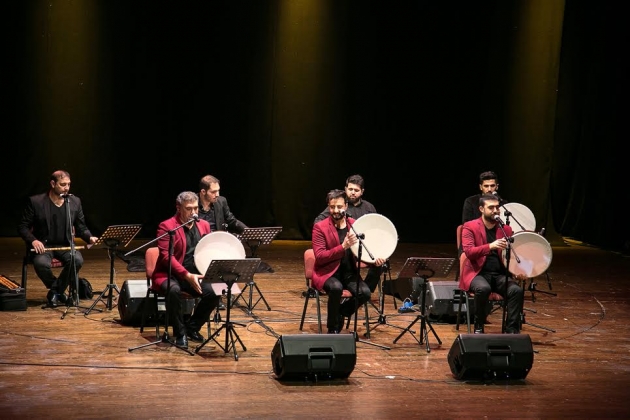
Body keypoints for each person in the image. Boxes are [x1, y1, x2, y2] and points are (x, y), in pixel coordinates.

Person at [18, 170, 98, 307]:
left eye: (68, 184)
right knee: (41, 264)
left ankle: (55, 292)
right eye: (62, 184)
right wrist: (34, 240)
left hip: (65, 245)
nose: (66, 188)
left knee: (77, 260)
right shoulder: (36, 202)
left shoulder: (74, 202)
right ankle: (59, 291)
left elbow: (81, 227)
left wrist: (90, 237)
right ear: (53, 184)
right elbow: (22, 227)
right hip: (44, 247)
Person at [151, 191, 221, 347]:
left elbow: (207, 251)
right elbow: (166, 257)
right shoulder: (167, 226)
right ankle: (180, 332)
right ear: (178, 208)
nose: (194, 212)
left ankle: (192, 327)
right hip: (169, 274)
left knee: (216, 290)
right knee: (173, 291)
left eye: (196, 208)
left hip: (195, 274)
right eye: (189, 209)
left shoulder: (204, 225)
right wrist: (186, 274)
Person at [312, 189, 386, 334]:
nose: (335, 210)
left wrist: (375, 261)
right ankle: (332, 328)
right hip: (327, 272)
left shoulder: (354, 225)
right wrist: (343, 247)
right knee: (336, 288)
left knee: (365, 293)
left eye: (339, 207)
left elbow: (364, 250)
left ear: (346, 206)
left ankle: (340, 312)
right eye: (332, 207)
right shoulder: (320, 227)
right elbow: (320, 256)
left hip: (349, 272)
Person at [459, 194, 524, 334]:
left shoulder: (505, 229)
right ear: (481, 209)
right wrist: (490, 246)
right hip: (477, 273)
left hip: (499, 274)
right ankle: (479, 325)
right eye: (491, 207)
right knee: (483, 288)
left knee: (516, 291)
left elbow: (511, 255)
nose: (495, 210)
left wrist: (516, 271)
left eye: (497, 207)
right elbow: (469, 252)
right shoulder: (470, 227)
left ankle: (512, 330)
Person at [314, 174, 382, 292]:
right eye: (350, 189)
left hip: (360, 246)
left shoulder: (369, 207)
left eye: (356, 190)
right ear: (346, 189)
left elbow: (375, 228)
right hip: (342, 248)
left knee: (379, 263)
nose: (352, 192)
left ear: (362, 191)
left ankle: (365, 289)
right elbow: (319, 222)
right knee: (338, 285)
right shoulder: (339, 205)